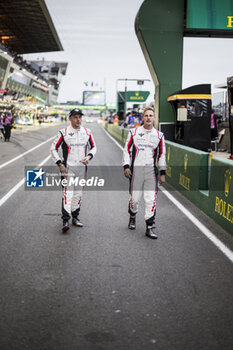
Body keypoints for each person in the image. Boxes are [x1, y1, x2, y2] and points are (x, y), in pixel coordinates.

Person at [122, 107, 166, 239]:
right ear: (143, 118)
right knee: (134, 200)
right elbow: (126, 150)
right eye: (146, 115)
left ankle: (149, 227)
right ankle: (132, 216)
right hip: (136, 171)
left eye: (151, 115)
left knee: (150, 199)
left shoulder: (159, 135)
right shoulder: (134, 132)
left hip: (151, 171)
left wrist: (163, 172)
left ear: (154, 118)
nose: (148, 118)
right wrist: (126, 166)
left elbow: (162, 155)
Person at [50, 108, 97, 232]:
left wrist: (89, 156)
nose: (78, 119)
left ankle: (75, 217)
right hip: (68, 168)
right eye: (75, 117)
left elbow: (94, 147)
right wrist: (60, 163)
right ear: (70, 118)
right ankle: (65, 220)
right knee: (68, 194)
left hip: (82, 168)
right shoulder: (63, 132)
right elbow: (53, 148)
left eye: (80, 117)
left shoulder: (87, 132)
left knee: (78, 194)